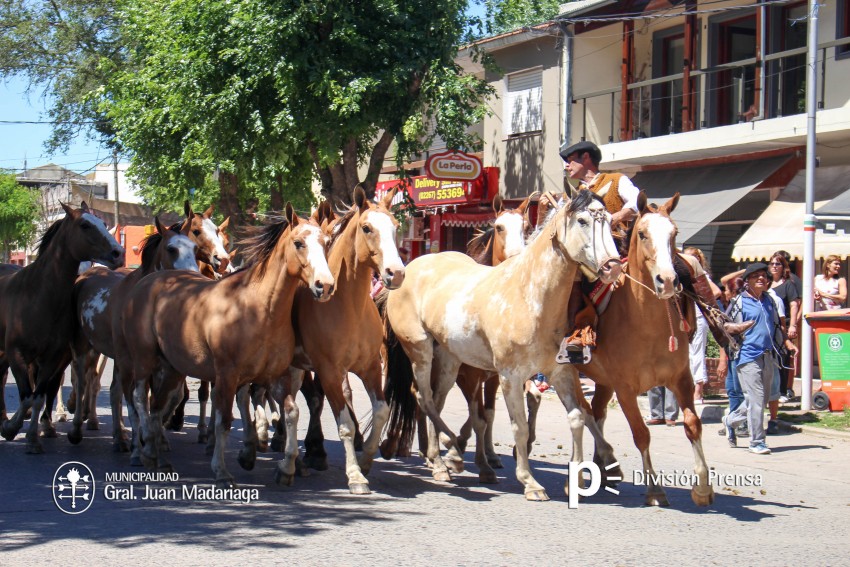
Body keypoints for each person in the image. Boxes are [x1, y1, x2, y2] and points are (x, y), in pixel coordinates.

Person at [555, 140, 640, 361]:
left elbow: (637, 203)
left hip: (616, 248)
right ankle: (573, 334)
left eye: (570, 161)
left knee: (681, 266)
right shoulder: (575, 193)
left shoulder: (616, 180)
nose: (566, 166)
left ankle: (715, 319)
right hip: (585, 255)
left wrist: (613, 219)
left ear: (585, 158)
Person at [722, 263, 797, 454]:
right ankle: (757, 442)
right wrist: (737, 328)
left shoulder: (770, 301)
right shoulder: (739, 302)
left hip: (768, 356)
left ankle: (730, 421)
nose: (761, 278)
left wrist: (787, 344)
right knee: (755, 401)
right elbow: (724, 327)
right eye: (756, 276)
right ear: (747, 281)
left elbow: (777, 326)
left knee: (757, 401)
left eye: (764, 276)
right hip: (747, 357)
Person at [683, 247, 721, 404]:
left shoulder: (701, 276)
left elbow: (716, 291)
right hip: (686, 318)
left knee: (697, 354)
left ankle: (698, 392)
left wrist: (700, 301)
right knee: (688, 355)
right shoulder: (684, 275)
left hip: (698, 318)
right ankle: (690, 391)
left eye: (693, 257)